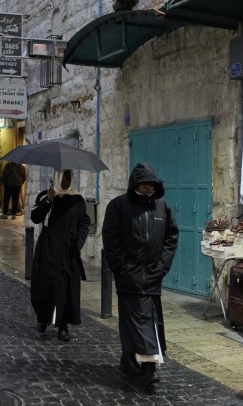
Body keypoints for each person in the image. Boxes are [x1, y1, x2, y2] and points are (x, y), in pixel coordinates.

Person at [102, 163, 179, 386]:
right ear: (135, 183)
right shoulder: (118, 206)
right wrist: (122, 268)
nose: (147, 188)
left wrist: (162, 266)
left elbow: (171, 237)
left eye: (151, 184)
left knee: (146, 320)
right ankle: (148, 366)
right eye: (143, 183)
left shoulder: (161, 208)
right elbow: (111, 239)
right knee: (138, 320)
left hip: (153, 277)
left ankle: (130, 359)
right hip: (129, 277)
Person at [30, 169, 90, 342]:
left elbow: (84, 223)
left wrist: (77, 243)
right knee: (45, 285)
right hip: (47, 246)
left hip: (67, 249)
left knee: (65, 287)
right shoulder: (45, 196)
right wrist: (48, 199)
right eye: (63, 178)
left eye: (68, 178)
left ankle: (63, 326)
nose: (65, 181)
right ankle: (43, 318)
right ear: (56, 178)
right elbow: (35, 217)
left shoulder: (77, 199)